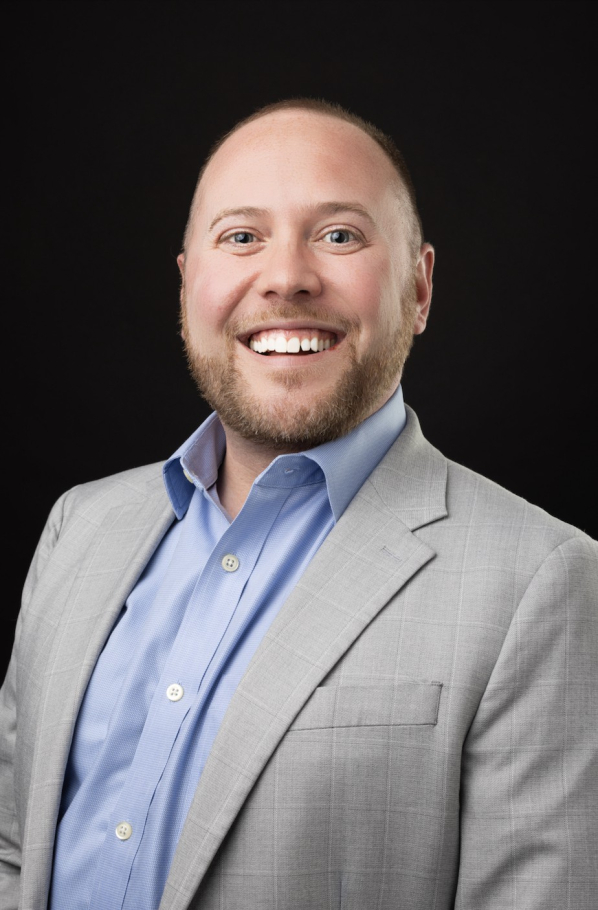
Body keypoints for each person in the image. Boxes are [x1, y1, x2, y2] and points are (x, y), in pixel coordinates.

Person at [1, 98, 596, 910]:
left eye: (340, 235)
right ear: (188, 285)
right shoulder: (80, 527)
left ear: (419, 288)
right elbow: (14, 848)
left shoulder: (543, 581)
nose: (285, 277)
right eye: (241, 237)